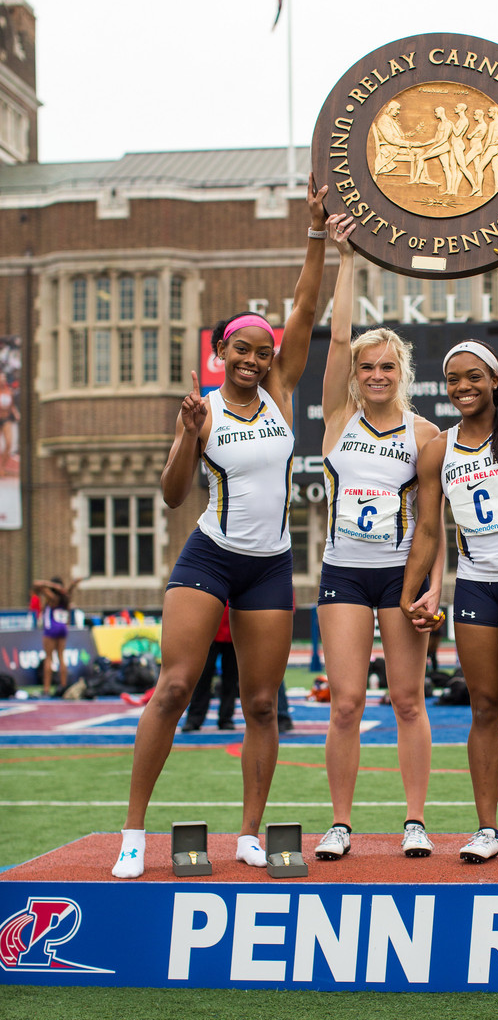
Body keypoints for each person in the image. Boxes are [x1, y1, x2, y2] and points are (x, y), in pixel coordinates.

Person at [111, 177, 330, 879]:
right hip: (210, 555)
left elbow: (303, 305)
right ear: (220, 353)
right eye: (240, 349)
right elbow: (174, 495)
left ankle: (250, 835)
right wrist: (185, 438)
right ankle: (134, 833)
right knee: (175, 687)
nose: (253, 358)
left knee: (263, 704)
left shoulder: (282, 395)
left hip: (269, 564)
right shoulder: (202, 411)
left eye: (261, 351)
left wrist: (317, 234)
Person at [400, 231, 498, 866]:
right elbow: (431, 530)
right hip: (475, 589)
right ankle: (488, 828)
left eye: (473, 377)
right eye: (453, 379)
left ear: (493, 381)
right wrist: (417, 590)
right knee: (484, 705)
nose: (462, 386)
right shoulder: (439, 448)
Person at [314, 213, 443, 861]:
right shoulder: (338, 421)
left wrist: (431, 590)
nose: (375, 374)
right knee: (345, 702)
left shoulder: (423, 437)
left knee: (408, 699)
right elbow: (337, 337)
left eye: (387, 366)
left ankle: (415, 820)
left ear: (402, 370)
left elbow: (434, 524)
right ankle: (340, 822)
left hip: (399, 577)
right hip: (342, 572)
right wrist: (345, 260)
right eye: (367, 366)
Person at [181, 603, 238, 732]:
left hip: (234, 630)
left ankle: (226, 718)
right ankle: (194, 718)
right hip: (210, 629)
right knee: (202, 677)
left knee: (231, 679)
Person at [32, 576, 83, 695]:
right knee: (61, 658)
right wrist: (71, 585)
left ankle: (46, 689)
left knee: (48, 658)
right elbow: (68, 591)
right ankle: (64, 686)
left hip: (51, 628)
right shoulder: (65, 599)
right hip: (63, 628)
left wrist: (50, 584)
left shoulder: (52, 598)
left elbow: (37, 584)